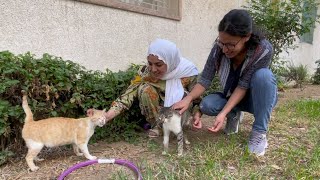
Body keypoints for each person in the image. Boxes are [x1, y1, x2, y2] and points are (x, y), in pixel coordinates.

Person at [173, 9, 278, 156]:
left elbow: (243, 85)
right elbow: (205, 79)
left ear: (246, 37)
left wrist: (222, 113)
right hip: (231, 96)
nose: (224, 49)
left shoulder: (262, 50)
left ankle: (259, 132)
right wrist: (188, 99)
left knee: (263, 76)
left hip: (256, 99)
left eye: (230, 44)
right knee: (206, 105)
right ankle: (233, 114)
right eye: (221, 42)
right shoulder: (218, 49)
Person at [103, 38, 200, 137]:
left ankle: (183, 122)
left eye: (159, 64)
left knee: (185, 95)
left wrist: (197, 115)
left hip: (178, 107)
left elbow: (196, 98)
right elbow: (128, 95)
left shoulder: (187, 71)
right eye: (150, 63)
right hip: (158, 109)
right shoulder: (146, 72)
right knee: (145, 89)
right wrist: (108, 115)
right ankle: (157, 126)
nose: (153, 69)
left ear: (170, 61)